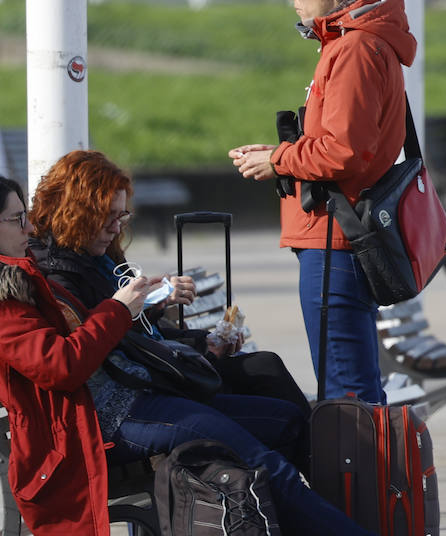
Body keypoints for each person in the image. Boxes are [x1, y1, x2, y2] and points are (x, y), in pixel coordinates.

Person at [0, 174, 446, 536]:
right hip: (103, 426)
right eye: (17, 220)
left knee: (280, 424)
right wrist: (121, 308)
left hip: (119, 406)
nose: (29, 226)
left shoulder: (4, 277)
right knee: (264, 462)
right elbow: (60, 365)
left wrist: (138, 315)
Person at [229, 0, 416, 404]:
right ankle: (369, 479)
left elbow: (344, 151)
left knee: (345, 394)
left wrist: (280, 159)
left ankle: (362, 482)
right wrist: (281, 155)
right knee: (350, 387)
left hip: (337, 236)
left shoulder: (354, 48)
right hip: (341, 232)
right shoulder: (357, 41)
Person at [28, 149, 311, 420]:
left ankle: (330, 454)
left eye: (121, 216)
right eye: (107, 217)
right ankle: (330, 457)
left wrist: (202, 342)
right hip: (144, 390)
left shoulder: (95, 256)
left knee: (266, 372)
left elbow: (135, 332)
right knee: (277, 407)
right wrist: (155, 312)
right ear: (77, 213)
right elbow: (114, 346)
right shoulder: (61, 272)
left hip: (159, 370)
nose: (116, 228)